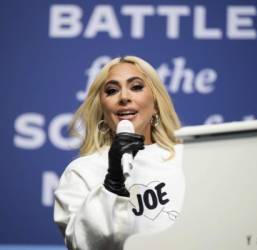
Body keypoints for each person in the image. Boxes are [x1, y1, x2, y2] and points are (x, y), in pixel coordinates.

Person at [53, 56, 185, 250]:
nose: (124, 97)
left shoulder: (187, 159)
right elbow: (81, 244)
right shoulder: (81, 172)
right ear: (102, 110)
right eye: (112, 91)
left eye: (136, 87)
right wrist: (112, 182)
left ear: (156, 104)